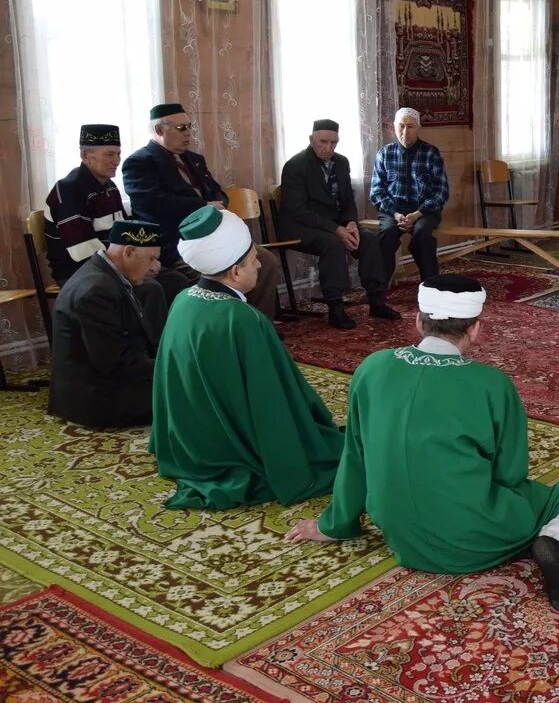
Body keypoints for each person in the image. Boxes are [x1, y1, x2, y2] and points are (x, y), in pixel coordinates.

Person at [285, 275, 559, 612]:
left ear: (417, 320)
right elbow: (511, 473)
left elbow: (355, 455)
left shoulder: (371, 368)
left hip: (400, 533)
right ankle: (554, 542)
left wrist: (333, 525)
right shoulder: (491, 384)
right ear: (475, 329)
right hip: (472, 536)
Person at [150, 206, 344, 510]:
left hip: (192, 439)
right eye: (254, 260)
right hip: (229, 448)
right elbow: (273, 399)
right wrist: (309, 424)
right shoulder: (241, 319)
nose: (259, 266)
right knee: (332, 448)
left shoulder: (183, 300)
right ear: (235, 272)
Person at [122, 103, 285, 320]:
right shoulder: (140, 162)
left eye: (189, 126)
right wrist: (202, 207)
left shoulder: (194, 159)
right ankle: (221, 328)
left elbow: (217, 191)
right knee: (223, 274)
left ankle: (255, 323)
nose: (189, 133)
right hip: (179, 242)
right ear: (160, 130)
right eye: (181, 128)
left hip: (216, 236)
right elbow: (153, 205)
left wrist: (219, 202)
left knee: (265, 262)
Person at [44, 123, 185, 307]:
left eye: (118, 154)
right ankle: (150, 336)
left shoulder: (110, 187)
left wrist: (148, 258)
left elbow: (127, 232)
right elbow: (83, 251)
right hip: (82, 270)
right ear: (85, 155)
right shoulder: (69, 189)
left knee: (176, 279)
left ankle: (163, 336)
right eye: (109, 154)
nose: (117, 161)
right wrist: (136, 265)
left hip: (118, 263)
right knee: (155, 288)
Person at [279, 119, 401, 329]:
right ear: (311, 140)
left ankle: (376, 300)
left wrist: (351, 222)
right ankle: (336, 308)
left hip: (335, 224)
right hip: (301, 226)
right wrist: (337, 229)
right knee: (333, 243)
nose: (328, 147)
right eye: (323, 142)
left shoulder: (342, 162)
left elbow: (348, 199)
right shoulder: (295, 166)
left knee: (370, 239)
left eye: (333, 142)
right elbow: (298, 211)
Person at [47, 220, 165, 428]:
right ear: (128, 252)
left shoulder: (104, 275)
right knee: (195, 390)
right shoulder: (96, 291)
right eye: (152, 259)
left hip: (104, 382)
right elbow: (114, 363)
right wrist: (170, 367)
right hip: (98, 398)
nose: (156, 266)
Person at [370, 107, 449, 284]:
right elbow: (376, 192)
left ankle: (431, 287)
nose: (405, 131)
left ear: (418, 128)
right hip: (393, 211)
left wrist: (417, 214)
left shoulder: (431, 153)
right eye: (401, 126)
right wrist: (396, 214)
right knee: (387, 234)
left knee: (422, 234)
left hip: (423, 211)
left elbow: (441, 191)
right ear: (394, 127)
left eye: (410, 126)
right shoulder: (384, 153)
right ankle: (378, 291)